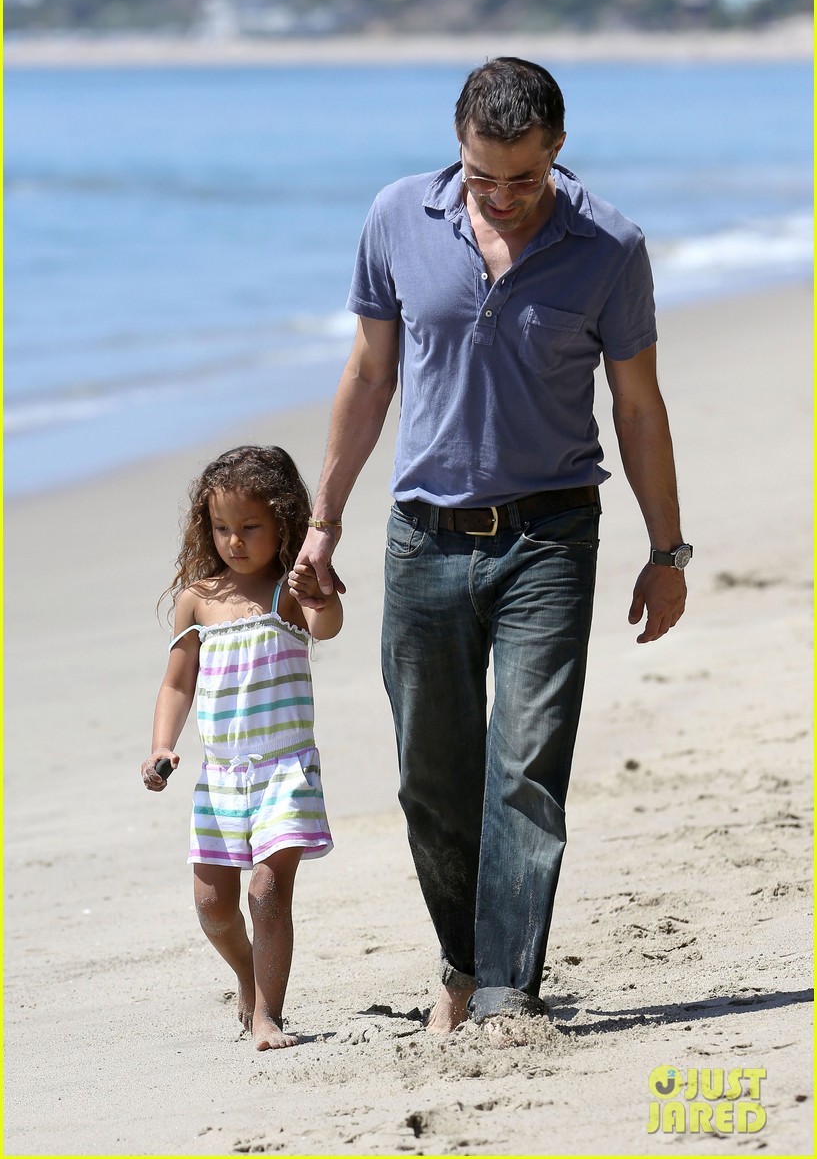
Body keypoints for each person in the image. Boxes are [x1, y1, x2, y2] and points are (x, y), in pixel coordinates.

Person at [291, 57, 691, 1033]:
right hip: (421, 540)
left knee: (524, 764)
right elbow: (369, 374)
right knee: (430, 770)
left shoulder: (609, 248)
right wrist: (324, 516)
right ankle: (460, 966)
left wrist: (666, 549)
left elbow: (635, 406)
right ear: (457, 150)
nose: (504, 199)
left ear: (556, 148)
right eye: (483, 178)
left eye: (524, 177)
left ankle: (507, 989)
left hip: (550, 538)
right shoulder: (396, 218)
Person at [142, 445, 342, 1050]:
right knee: (214, 907)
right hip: (221, 777)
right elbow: (177, 682)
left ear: (283, 520)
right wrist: (161, 748)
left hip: (285, 771)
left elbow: (328, 626)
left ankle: (267, 1016)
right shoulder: (198, 599)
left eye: (250, 526)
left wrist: (318, 590)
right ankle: (246, 974)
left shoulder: (289, 589)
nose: (234, 540)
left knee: (267, 891)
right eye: (222, 527)